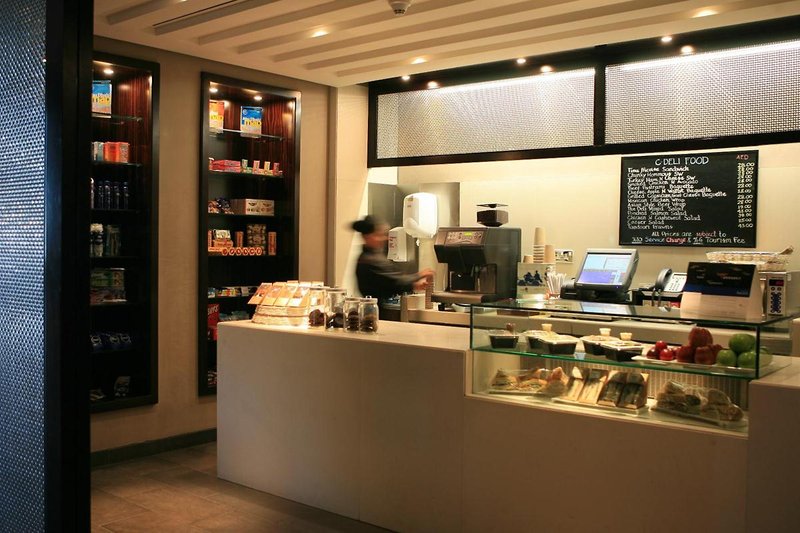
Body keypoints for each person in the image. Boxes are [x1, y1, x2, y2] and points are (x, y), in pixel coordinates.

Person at [351, 215, 434, 301]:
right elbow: (396, 281)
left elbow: (389, 285)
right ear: (367, 237)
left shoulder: (375, 255)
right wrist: (420, 275)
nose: (385, 239)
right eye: (379, 235)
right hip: (374, 307)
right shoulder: (368, 260)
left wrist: (413, 286)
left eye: (385, 235)